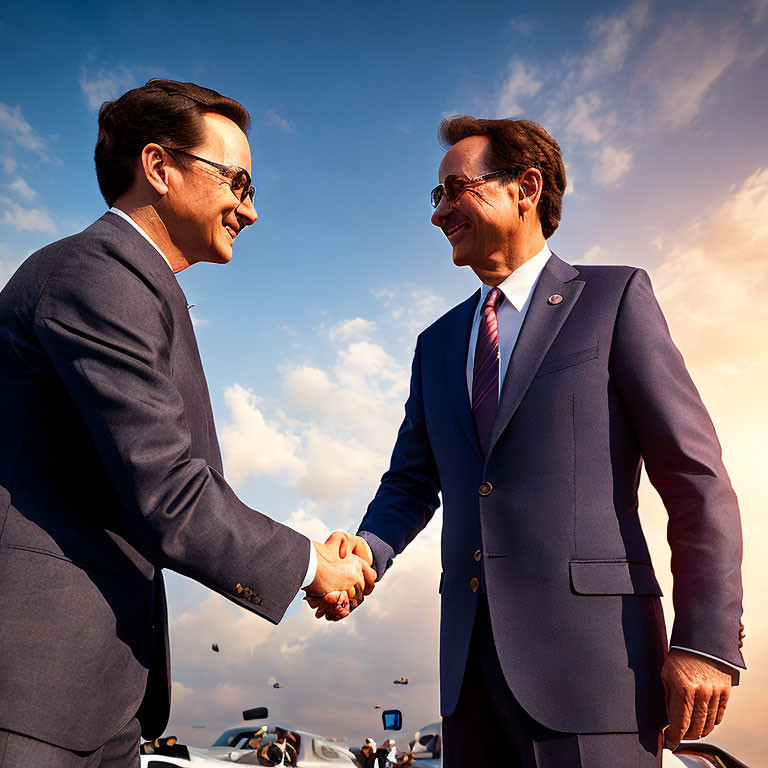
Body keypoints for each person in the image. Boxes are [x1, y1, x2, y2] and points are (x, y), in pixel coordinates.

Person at [308, 117, 745, 767]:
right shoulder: (435, 345)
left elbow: (694, 475)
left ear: (526, 187)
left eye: (455, 189)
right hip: (470, 683)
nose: (440, 214)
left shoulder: (614, 298)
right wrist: (365, 551)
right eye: (436, 198)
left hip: (598, 675)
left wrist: (705, 639)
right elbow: (410, 481)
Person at [0, 79, 375, 768]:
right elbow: (169, 490)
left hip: (95, 702)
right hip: (31, 693)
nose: (251, 210)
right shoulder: (99, 274)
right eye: (238, 180)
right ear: (159, 168)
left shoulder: (131, 284)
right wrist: (308, 565)